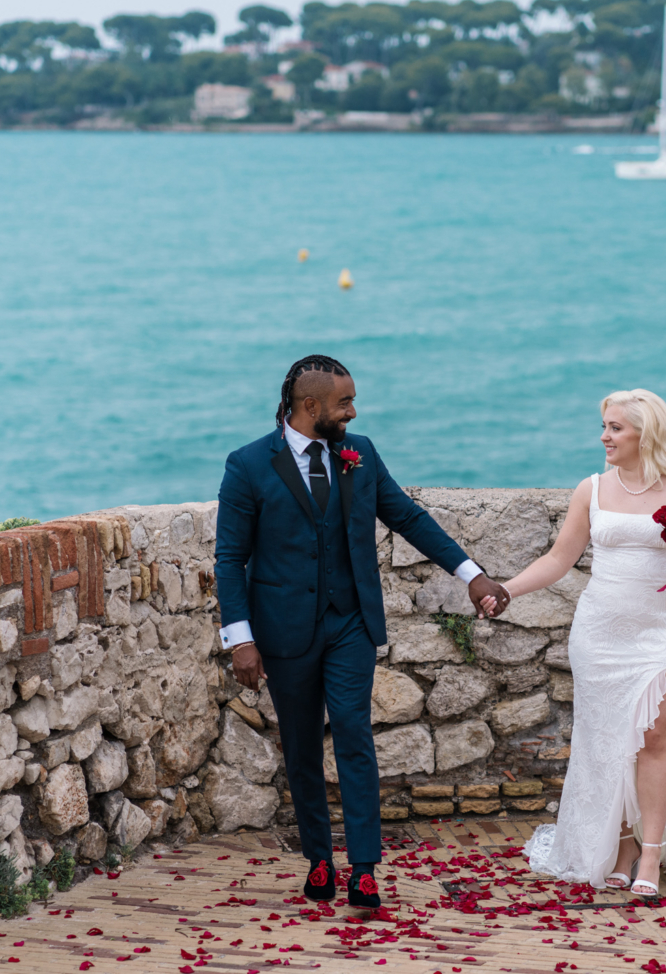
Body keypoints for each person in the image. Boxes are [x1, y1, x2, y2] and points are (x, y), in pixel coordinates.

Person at [215, 355, 511, 908]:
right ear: (310, 407)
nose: (353, 411)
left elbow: (409, 517)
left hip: (350, 622)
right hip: (282, 632)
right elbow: (230, 559)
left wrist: (470, 574)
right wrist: (241, 639)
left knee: (353, 732)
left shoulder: (361, 454)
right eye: (344, 402)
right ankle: (320, 861)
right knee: (301, 745)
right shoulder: (249, 465)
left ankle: (366, 868)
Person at [483, 389, 666, 894]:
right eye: (604, 426)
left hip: (658, 633)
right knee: (607, 741)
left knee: (656, 736)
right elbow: (558, 560)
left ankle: (652, 855)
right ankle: (621, 845)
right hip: (598, 634)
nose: (604, 436)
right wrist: (506, 588)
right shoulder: (591, 489)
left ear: (647, 432)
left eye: (615, 427)